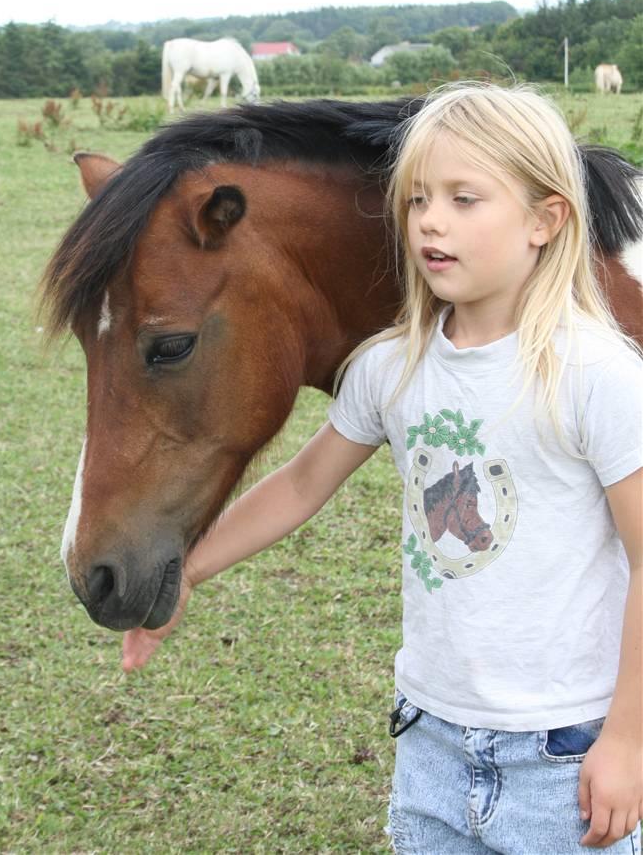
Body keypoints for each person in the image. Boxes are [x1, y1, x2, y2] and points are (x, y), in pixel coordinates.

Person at [122, 83, 642, 853]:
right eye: (417, 199)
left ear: (545, 219)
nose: (432, 220)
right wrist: (190, 569)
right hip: (429, 740)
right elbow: (301, 484)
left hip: (562, 752)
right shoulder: (392, 368)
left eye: (465, 199)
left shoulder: (598, 374)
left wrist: (627, 741)